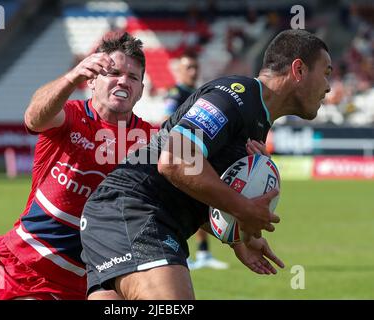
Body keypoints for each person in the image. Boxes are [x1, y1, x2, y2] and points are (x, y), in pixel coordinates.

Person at [80, 29, 332, 299]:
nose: (329, 85)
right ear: (299, 70)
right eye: (326, 71)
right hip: (133, 211)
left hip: (120, 219)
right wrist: (244, 208)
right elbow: (175, 160)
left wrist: (237, 237)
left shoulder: (257, 121)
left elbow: (191, 184)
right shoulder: (235, 96)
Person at [0, 31, 155, 300]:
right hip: (15, 253)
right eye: (113, 72)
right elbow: (34, 118)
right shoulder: (71, 115)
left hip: (67, 280)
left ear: (140, 90)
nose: (123, 81)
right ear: (92, 80)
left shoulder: (150, 142)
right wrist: (71, 77)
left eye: (133, 77)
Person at [164, 51, 229, 270]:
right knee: (187, 205)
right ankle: (184, 253)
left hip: (198, 155)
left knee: (200, 203)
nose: (193, 71)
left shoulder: (198, 93)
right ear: (179, 71)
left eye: (195, 67)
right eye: (189, 67)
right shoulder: (176, 93)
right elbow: (166, 121)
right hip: (181, 156)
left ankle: (202, 254)